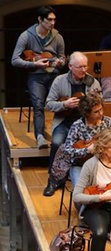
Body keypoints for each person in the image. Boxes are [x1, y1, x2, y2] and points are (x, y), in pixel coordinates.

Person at [43, 51, 102, 196]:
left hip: (86, 123)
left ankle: (92, 179)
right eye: (80, 67)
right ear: (70, 66)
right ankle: (54, 180)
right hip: (65, 121)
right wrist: (65, 105)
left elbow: (100, 103)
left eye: (85, 66)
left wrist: (93, 100)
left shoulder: (93, 82)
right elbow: (48, 104)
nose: (84, 70)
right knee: (57, 142)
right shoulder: (59, 80)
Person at [11, 6, 65, 149]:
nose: (52, 23)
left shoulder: (57, 37)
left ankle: (59, 132)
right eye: (49, 20)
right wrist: (34, 64)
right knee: (38, 104)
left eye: (54, 20)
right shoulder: (26, 36)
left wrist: (61, 62)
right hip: (36, 75)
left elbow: (62, 57)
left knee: (64, 100)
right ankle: (40, 136)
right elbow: (14, 60)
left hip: (53, 74)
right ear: (40, 19)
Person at [47, 93, 111, 192]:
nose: (101, 113)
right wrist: (87, 150)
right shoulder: (77, 126)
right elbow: (67, 150)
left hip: (103, 164)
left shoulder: (108, 122)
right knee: (82, 191)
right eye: (96, 112)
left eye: (101, 109)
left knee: (110, 188)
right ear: (87, 113)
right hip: (80, 165)